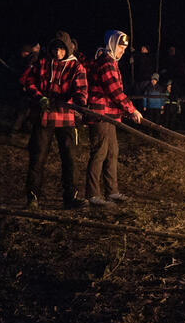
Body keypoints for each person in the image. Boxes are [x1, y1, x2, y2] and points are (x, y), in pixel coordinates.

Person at [22, 31, 88, 209]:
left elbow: (81, 93)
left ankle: (70, 197)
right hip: (44, 118)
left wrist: (70, 102)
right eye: (55, 49)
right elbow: (29, 82)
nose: (58, 53)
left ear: (67, 49)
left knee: (70, 159)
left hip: (67, 119)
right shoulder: (43, 63)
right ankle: (33, 197)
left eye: (61, 49)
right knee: (37, 157)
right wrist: (39, 97)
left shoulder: (77, 68)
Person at [85, 30, 143, 207]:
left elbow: (115, 94)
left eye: (124, 48)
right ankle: (93, 194)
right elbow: (114, 91)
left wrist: (126, 112)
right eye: (120, 47)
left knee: (112, 152)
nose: (122, 51)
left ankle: (112, 191)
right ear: (112, 44)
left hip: (110, 115)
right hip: (100, 114)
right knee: (100, 153)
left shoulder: (112, 63)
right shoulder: (106, 63)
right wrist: (131, 109)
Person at [10, 43, 40, 133]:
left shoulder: (33, 59)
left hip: (30, 88)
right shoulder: (28, 60)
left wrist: (24, 85)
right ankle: (20, 127)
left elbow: (28, 74)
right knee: (24, 109)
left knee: (25, 109)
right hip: (28, 88)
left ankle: (18, 128)